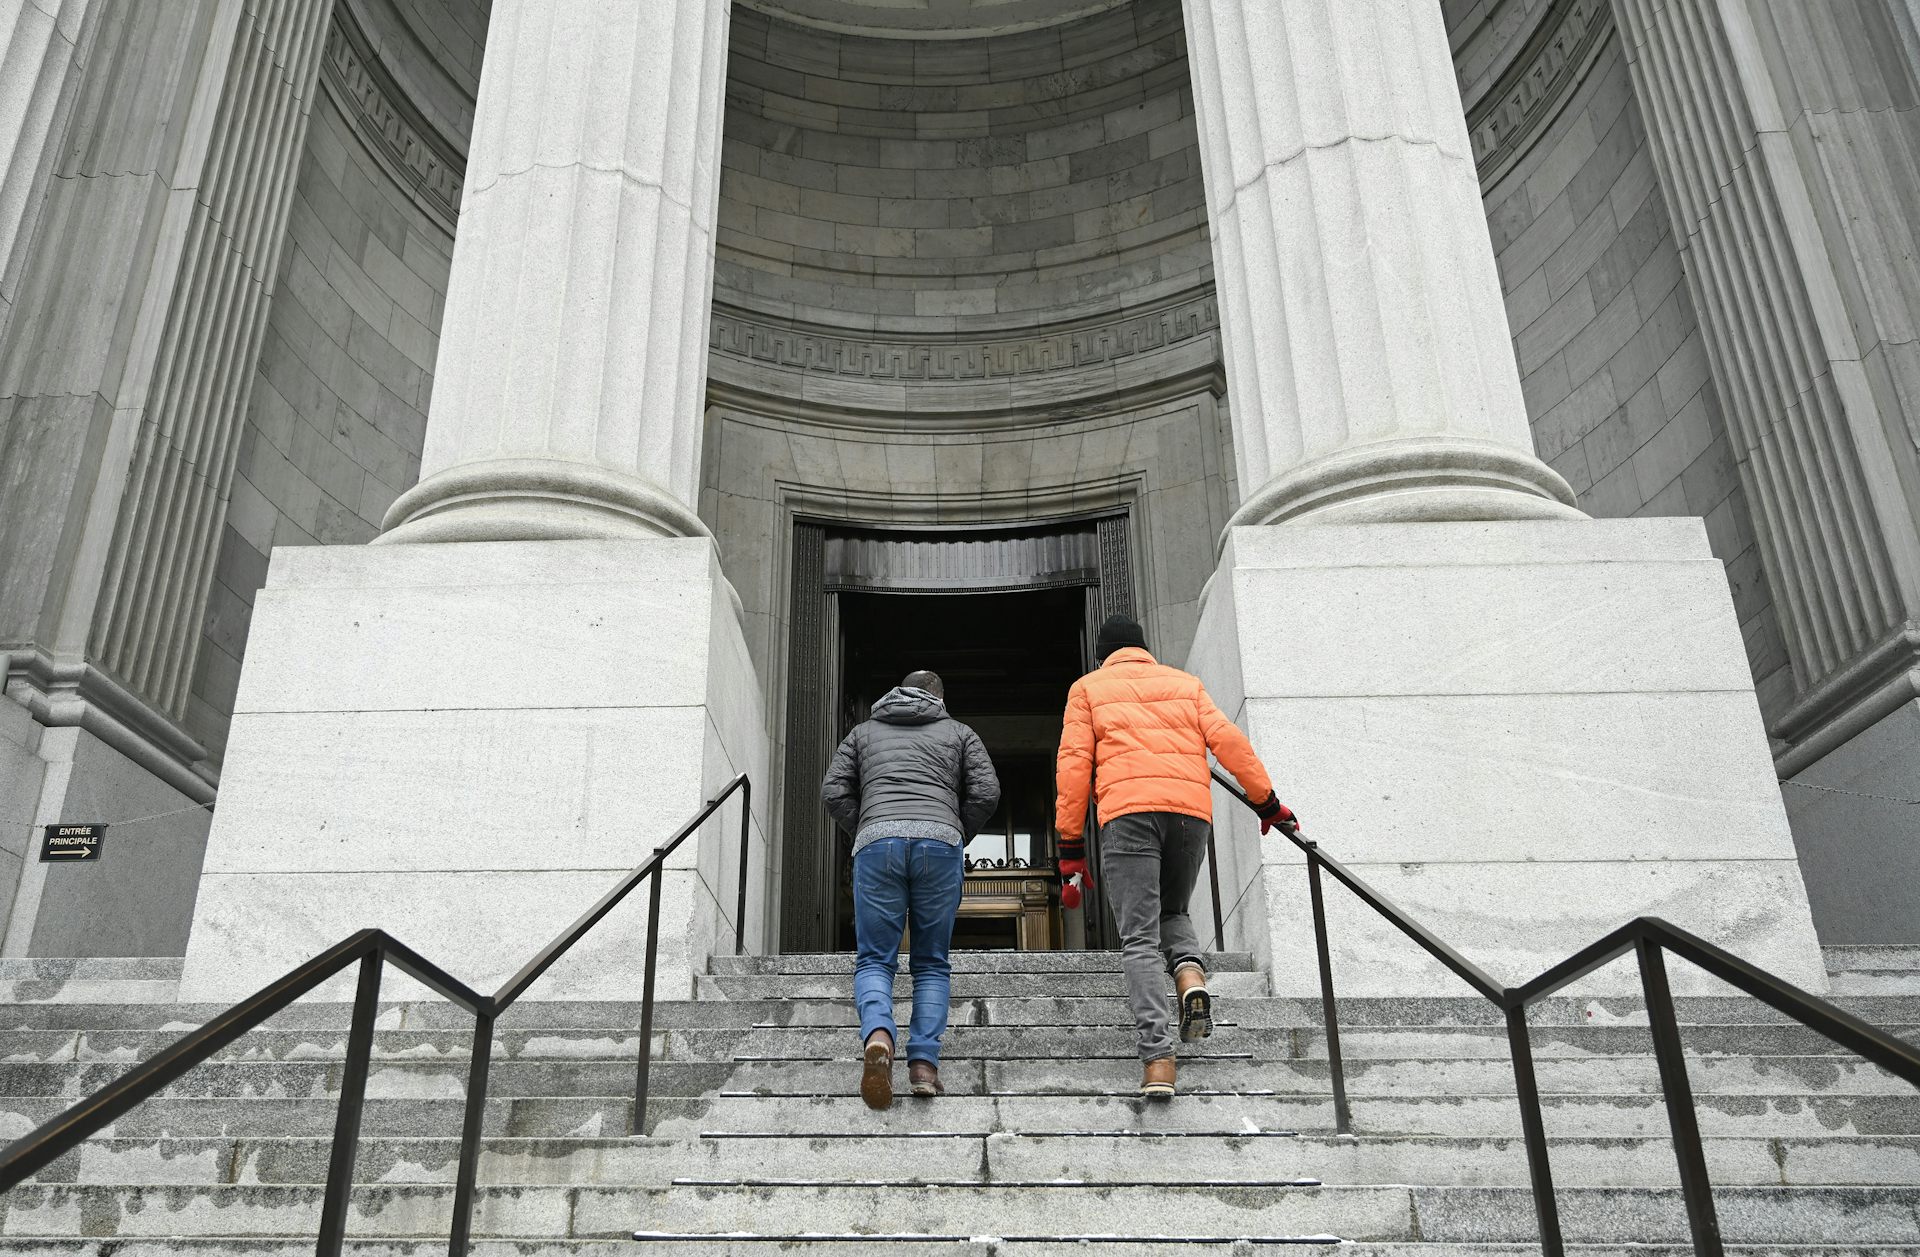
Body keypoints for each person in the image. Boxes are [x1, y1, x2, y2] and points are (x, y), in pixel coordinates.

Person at [1054, 614, 1296, 1097]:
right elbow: (1229, 741)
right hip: (1189, 815)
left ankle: (1158, 1059)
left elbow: (1075, 764)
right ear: (1145, 649)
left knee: (1140, 939)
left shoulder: (1088, 688)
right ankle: (1189, 978)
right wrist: (1268, 803)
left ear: (1103, 654)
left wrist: (1071, 848)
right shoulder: (1185, 684)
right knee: (1174, 910)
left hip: (1128, 816)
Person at [822, 669, 1000, 1110]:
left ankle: (879, 1036)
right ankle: (923, 1067)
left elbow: (833, 790)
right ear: (939, 697)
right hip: (939, 843)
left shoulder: (863, 732)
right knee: (931, 963)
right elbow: (987, 792)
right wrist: (955, 832)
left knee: (875, 960)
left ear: (899, 692)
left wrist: (865, 827)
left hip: (877, 842)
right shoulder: (959, 732)